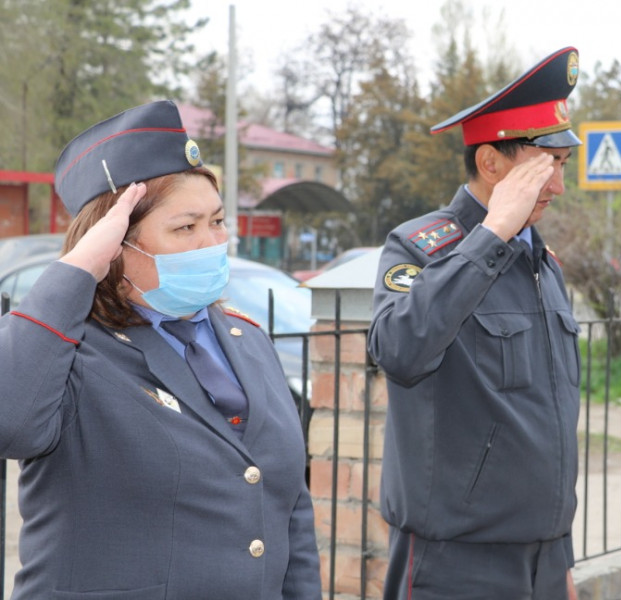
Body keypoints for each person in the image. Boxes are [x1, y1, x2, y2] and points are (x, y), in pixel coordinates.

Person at [0, 100, 321, 599]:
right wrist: (79, 268)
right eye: (185, 227)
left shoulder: (249, 341)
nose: (211, 242)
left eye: (217, 221)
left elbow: (289, 508)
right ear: (116, 245)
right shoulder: (70, 353)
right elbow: (10, 422)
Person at [367, 47, 582, 600]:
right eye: (546, 166)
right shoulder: (420, 247)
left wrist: (560, 556)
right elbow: (398, 349)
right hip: (456, 561)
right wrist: (491, 236)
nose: (558, 186)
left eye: (563, 165)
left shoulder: (544, 262)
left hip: (544, 556)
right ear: (491, 164)